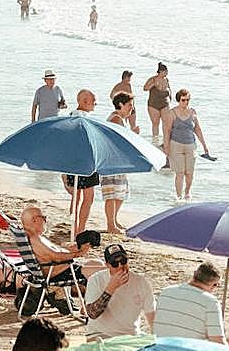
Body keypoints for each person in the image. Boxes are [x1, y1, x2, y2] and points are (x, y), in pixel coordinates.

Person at [153, 261, 229, 351]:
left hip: (161, 348)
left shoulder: (166, 291)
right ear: (214, 285)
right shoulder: (210, 301)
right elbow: (218, 343)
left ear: (194, 275)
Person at [83, 243, 154, 339]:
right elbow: (92, 313)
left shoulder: (141, 282)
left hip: (131, 335)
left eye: (123, 261)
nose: (120, 266)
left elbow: (151, 315)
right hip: (100, 334)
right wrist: (111, 288)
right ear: (107, 265)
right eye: (115, 264)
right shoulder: (96, 280)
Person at [19, 205, 92, 282]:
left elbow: (50, 253)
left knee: (96, 263)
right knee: (100, 271)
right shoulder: (34, 239)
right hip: (59, 273)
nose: (45, 221)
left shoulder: (32, 236)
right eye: (43, 218)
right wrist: (78, 254)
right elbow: (56, 257)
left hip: (58, 269)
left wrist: (69, 249)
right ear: (34, 219)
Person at [101, 92, 139, 233]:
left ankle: (114, 221)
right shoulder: (116, 119)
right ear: (121, 104)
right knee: (112, 194)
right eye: (129, 105)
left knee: (120, 193)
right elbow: (119, 141)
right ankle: (111, 224)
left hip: (117, 161)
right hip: (112, 162)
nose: (131, 109)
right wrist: (133, 134)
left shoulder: (118, 119)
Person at [163, 88, 210, 201]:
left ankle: (187, 193)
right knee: (180, 172)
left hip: (190, 145)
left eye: (188, 100)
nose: (186, 102)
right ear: (179, 100)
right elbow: (167, 131)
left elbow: (197, 129)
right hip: (176, 144)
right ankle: (179, 197)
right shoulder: (172, 113)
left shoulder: (193, 112)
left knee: (189, 172)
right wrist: (166, 148)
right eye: (183, 100)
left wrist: (204, 146)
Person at [63, 89, 99, 236]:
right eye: (93, 101)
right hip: (84, 161)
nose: (96, 103)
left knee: (77, 197)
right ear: (83, 101)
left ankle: (76, 228)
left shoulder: (71, 116)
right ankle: (79, 230)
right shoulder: (83, 119)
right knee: (87, 197)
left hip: (74, 161)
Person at [143, 63, 171, 145]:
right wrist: (153, 84)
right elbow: (145, 88)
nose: (167, 73)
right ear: (161, 71)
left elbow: (169, 88)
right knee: (155, 123)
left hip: (165, 103)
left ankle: (165, 141)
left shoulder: (166, 79)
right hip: (153, 104)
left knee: (166, 123)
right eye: (165, 71)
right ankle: (155, 142)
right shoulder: (153, 79)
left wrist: (170, 97)